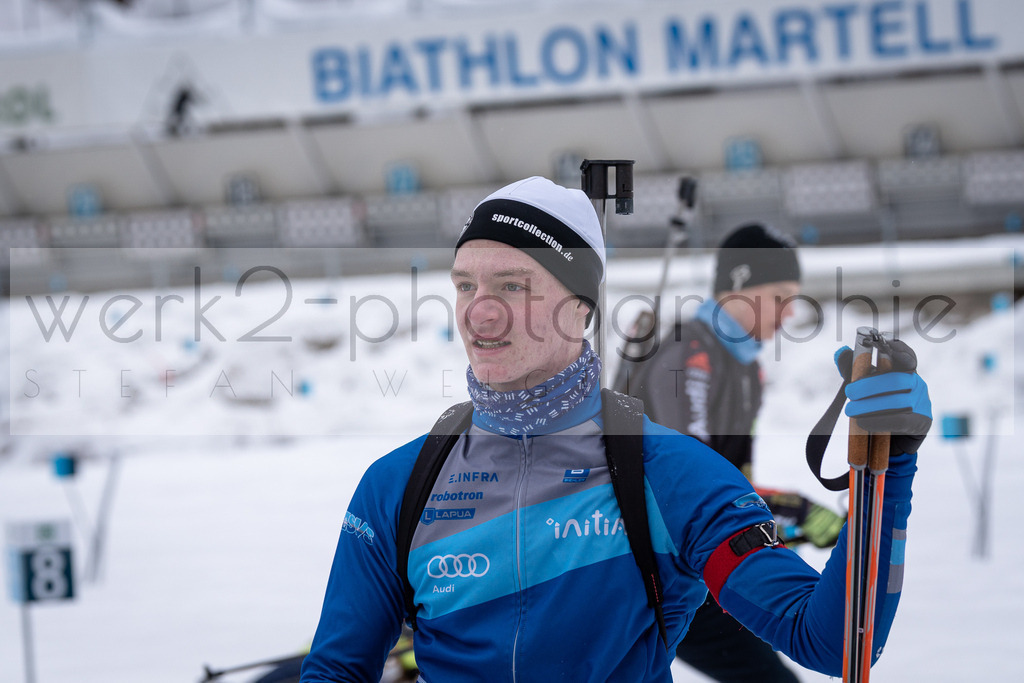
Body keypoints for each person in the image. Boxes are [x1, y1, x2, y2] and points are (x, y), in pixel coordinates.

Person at [300, 176, 931, 683]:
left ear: (580, 309)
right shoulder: (396, 486)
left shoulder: (669, 474)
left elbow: (832, 641)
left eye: (512, 285)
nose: (479, 311)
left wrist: (886, 469)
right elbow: (335, 670)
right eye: (465, 285)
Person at [623, 223, 846, 682]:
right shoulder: (689, 356)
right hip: (647, 566)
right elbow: (692, 483)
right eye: (780, 296)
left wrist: (779, 519)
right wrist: (793, 511)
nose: (788, 314)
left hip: (692, 557)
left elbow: (734, 476)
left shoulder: (746, 368)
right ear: (740, 287)